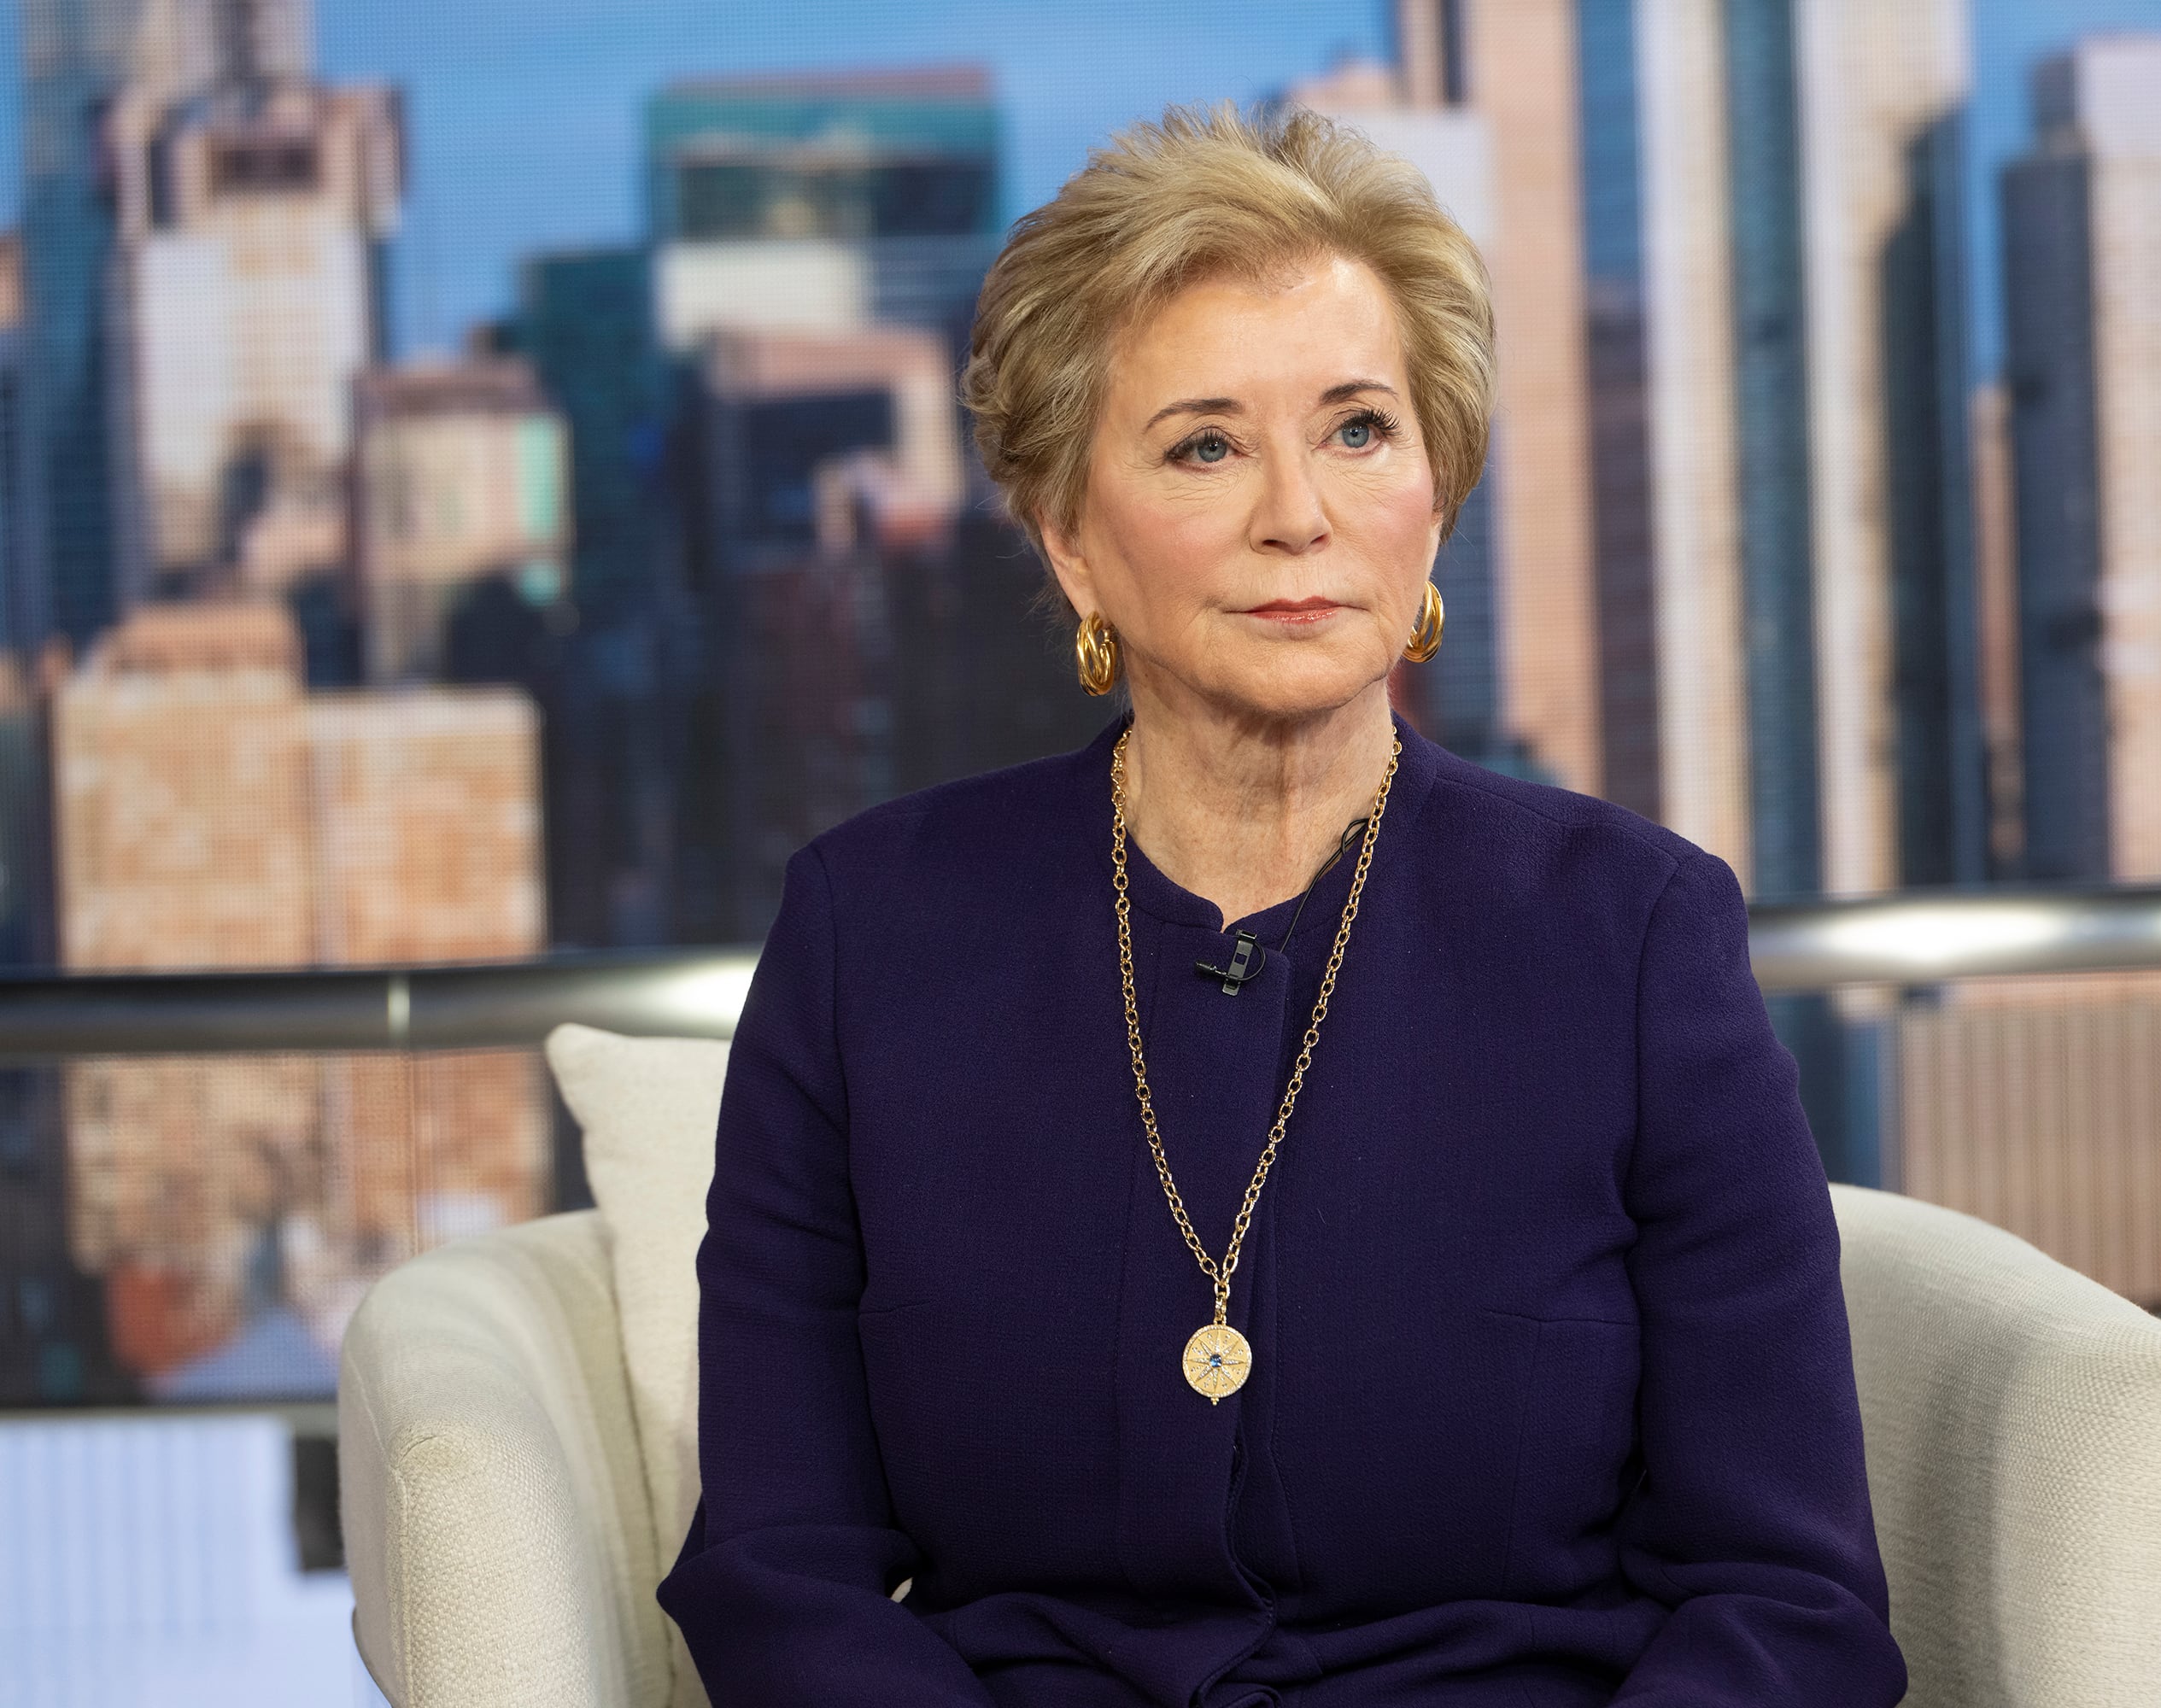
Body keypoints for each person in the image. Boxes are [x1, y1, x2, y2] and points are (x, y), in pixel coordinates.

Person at [659, 101, 1907, 1707]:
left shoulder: (1634, 936)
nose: (1297, 515)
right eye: (1205, 444)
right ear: (1070, 541)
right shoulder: (872, 934)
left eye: (1359, 429)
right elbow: (778, 1567)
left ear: (1437, 495)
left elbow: (1787, 1600)